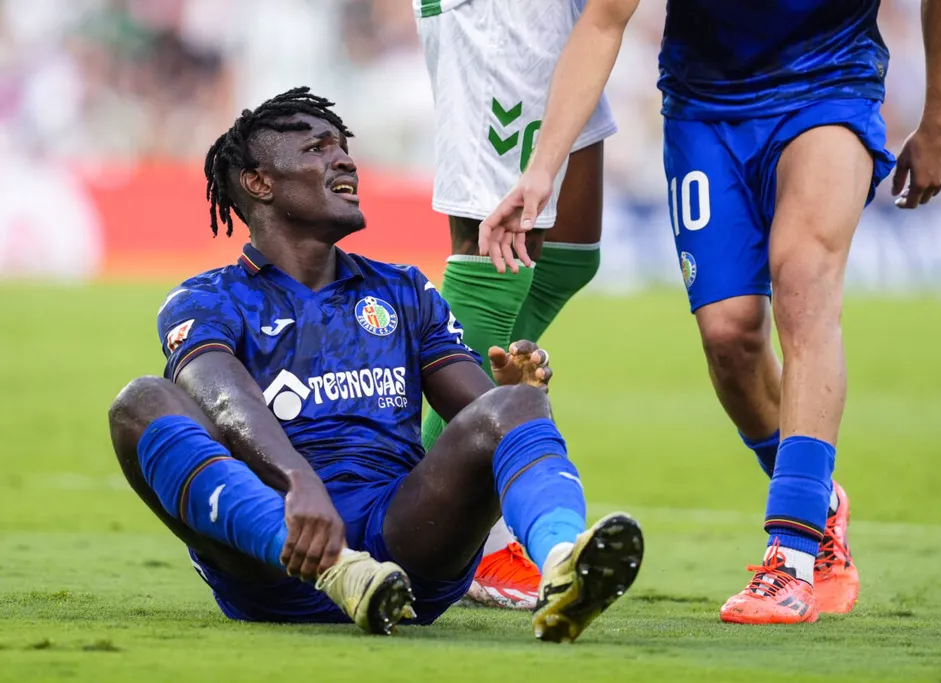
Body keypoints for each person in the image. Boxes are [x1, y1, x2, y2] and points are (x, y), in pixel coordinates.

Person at [481, 0, 941, 624]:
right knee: (730, 338)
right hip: (705, 110)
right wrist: (541, 169)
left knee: (804, 288)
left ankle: (792, 557)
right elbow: (604, 18)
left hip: (829, 88)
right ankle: (820, 502)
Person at [107, 87, 643, 641]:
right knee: (139, 403)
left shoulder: (403, 289)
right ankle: (339, 571)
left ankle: (562, 566)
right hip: (273, 555)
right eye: (317, 149)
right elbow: (221, 399)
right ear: (259, 182)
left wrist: (509, 395)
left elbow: (482, 416)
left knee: (521, 403)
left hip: (404, 543)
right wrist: (297, 483)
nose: (343, 160)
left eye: (343, 147)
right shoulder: (207, 299)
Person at [412, 0, 619, 609]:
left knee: (569, 255)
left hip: (565, 13)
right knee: (497, 254)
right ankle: (434, 526)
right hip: (506, 16)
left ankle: (468, 412)